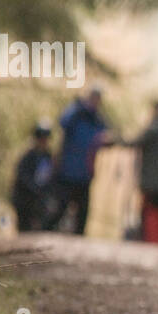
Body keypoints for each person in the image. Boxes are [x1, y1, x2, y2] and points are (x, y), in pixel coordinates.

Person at [50, 87, 113, 234]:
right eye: (93, 98)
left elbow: (105, 136)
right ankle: (46, 234)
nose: (96, 102)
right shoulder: (75, 113)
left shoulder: (97, 120)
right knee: (60, 208)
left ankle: (78, 239)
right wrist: (79, 107)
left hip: (85, 172)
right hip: (67, 170)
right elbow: (63, 122)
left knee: (82, 212)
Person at [128, 101, 158, 244]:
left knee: (150, 212)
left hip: (152, 182)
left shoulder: (154, 130)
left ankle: (152, 241)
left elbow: (135, 142)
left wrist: (114, 139)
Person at [10, 122, 55, 232]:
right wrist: (34, 187)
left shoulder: (48, 156)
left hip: (38, 200)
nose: (43, 141)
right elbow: (21, 176)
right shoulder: (28, 156)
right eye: (41, 138)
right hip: (24, 198)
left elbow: (50, 177)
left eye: (46, 138)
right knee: (23, 227)